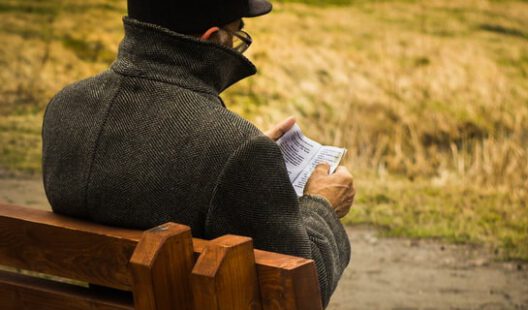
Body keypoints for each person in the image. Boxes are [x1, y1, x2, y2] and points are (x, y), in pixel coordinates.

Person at [41, 0, 355, 306]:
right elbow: (302, 293)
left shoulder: (64, 108)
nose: (236, 45)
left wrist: (251, 158)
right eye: (236, 37)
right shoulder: (235, 150)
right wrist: (322, 205)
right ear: (212, 40)